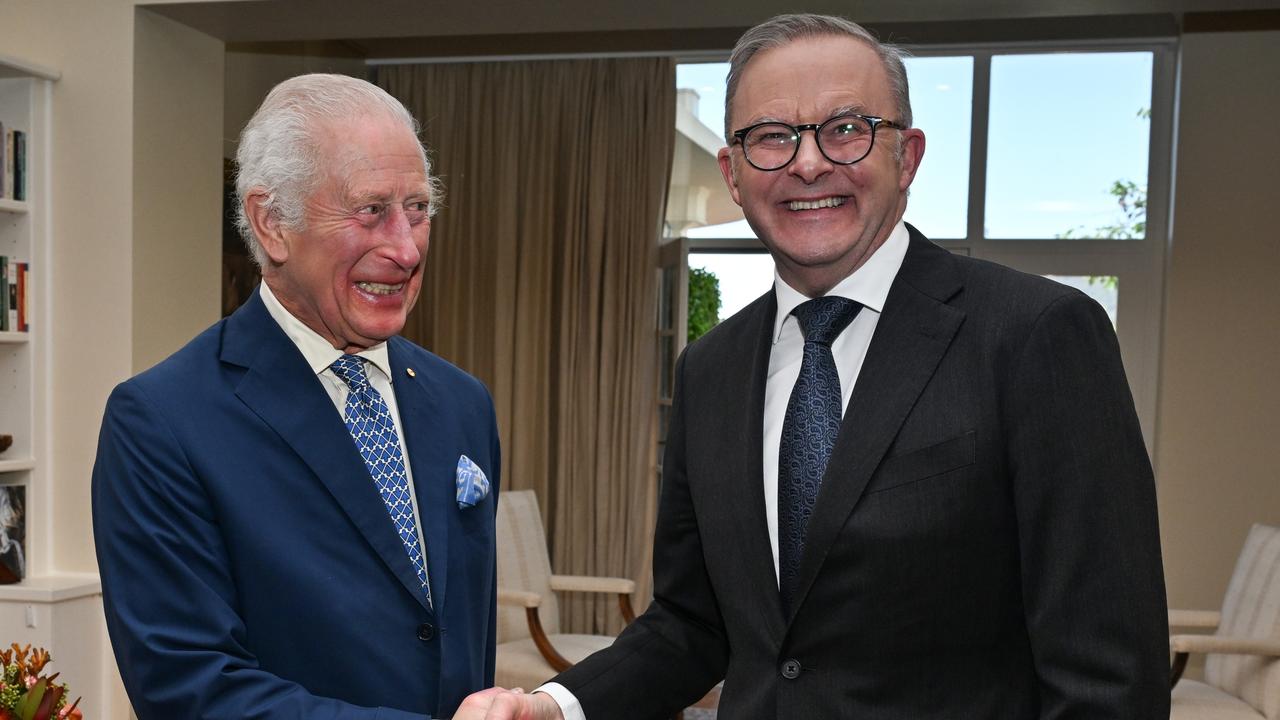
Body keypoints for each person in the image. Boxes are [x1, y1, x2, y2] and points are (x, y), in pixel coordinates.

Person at [457, 13, 1168, 720]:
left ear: (908, 156)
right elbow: (691, 624)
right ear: (733, 175)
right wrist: (554, 707)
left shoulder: (1036, 335)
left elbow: (1108, 675)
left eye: (847, 128)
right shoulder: (709, 370)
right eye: (772, 136)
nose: (807, 163)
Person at [92, 74, 500, 719]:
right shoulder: (162, 422)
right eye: (371, 211)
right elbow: (189, 689)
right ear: (272, 223)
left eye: (418, 209)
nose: (405, 247)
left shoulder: (461, 403)